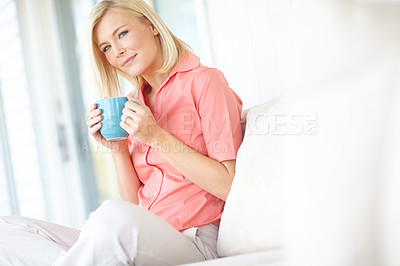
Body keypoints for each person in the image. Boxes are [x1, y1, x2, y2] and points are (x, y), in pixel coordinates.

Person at [0, 0, 242, 265]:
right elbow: (134, 204)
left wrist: (157, 137)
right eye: (106, 47)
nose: (116, 51)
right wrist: (118, 149)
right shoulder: (134, 102)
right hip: (141, 232)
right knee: (7, 229)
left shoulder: (205, 82)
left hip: (194, 238)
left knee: (111, 216)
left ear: (151, 25)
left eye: (122, 34)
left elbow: (228, 185)